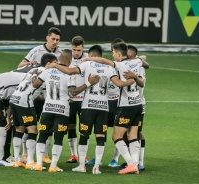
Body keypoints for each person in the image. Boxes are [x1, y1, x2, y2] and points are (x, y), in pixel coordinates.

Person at [46, 45, 135, 174]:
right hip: (103, 107)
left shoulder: (87, 64)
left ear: (92, 56)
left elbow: (70, 71)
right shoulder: (109, 67)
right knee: (100, 136)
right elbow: (118, 84)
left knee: (84, 135)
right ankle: (96, 167)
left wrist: (55, 66)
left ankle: (82, 166)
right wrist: (131, 81)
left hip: (88, 107)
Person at [31, 49, 100, 172]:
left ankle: (39, 164)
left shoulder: (48, 70)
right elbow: (73, 92)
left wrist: (35, 75)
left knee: (42, 136)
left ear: (58, 59)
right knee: (58, 138)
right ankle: (53, 166)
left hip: (47, 108)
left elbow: (35, 85)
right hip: (62, 110)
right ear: (70, 61)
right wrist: (88, 83)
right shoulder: (69, 74)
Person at [83, 42, 145, 174]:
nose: (112, 56)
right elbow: (142, 81)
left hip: (126, 105)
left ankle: (130, 164)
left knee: (116, 136)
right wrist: (136, 74)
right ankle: (135, 165)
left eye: (113, 54)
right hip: (138, 104)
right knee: (132, 135)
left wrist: (89, 58)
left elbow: (102, 60)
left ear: (118, 54)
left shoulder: (120, 64)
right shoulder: (137, 62)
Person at [17, 27, 62, 164]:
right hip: (35, 96)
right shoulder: (37, 51)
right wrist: (30, 64)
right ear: (47, 38)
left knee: (47, 126)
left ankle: (44, 155)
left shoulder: (60, 53)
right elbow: (20, 66)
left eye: (58, 40)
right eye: (53, 39)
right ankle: (25, 154)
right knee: (29, 124)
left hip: (50, 97)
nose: (55, 42)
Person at [7, 53, 58, 168]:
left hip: (14, 99)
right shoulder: (46, 73)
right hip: (25, 102)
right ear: (48, 64)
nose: (57, 65)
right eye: (55, 63)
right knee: (33, 130)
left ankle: (17, 160)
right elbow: (43, 92)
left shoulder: (32, 70)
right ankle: (30, 162)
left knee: (19, 129)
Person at [66, 36, 88, 163]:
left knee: (84, 127)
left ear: (83, 48)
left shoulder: (88, 60)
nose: (76, 52)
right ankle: (74, 154)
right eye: (74, 49)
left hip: (84, 99)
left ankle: (83, 155)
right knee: (71, 126)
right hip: (70, 100)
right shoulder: (67, 59)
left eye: (78, 50)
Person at [127, 44, 147, 171]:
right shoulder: (132, 64)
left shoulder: (139, 68)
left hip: (138, 103)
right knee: (129, 132)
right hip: (129, 104)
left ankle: (140, 162)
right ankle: (132, 161)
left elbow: (140, 83)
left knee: (137, 132)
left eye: (128, 56)